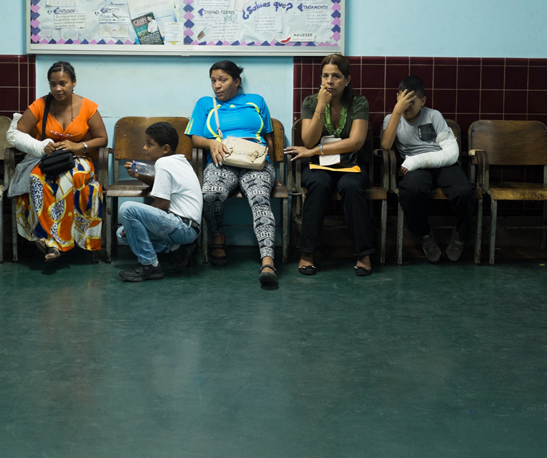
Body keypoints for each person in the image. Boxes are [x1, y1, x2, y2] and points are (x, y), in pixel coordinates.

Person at [186, 60, 278, 285]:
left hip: (255, 162)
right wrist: (211, 143)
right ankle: (217, 238)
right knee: (210, 193)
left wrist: (272, 165)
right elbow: (195, 137)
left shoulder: (256, 101)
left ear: (237, 81)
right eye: (213, 81)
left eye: (223, 80)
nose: (217, 85)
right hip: (222, 161)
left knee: (260, 198)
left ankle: (268, 260)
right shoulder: (205, 104)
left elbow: (268, 136)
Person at [6, 61, 108, 261]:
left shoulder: (87, 107)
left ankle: (60, 242)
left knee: (68, 179)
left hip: (78, 158)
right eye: (53, 84)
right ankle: (50, 241)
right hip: (48, 159)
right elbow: (17, 133)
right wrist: (41, 146)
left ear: (74, 82)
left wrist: (78, 146)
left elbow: (102, 139)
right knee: (36, 179)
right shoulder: (40, 105)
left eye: (63, 83)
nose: (58, 88)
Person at [283, 53, 374, 276]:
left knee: (352, 186)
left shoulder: (359, 102)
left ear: (347, 79)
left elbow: (356, 142)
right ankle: (307, 253)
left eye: (336, 76)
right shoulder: (311, 101)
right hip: (318, 166)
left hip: (349, 164)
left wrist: (315, 150)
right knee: (319, 184)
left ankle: (363, 254)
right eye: (325, 76)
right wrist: (321, 106)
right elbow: (308, 140)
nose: (329, 81)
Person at [381, 76, 476, 263]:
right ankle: (424, 234)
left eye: (412, 102)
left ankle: (461, 235)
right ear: (397, 97)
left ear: (423, 101)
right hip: (414, 166)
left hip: (443, 162)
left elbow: (450, 150)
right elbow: (385, 145)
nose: (407, 106)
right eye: (403, 100)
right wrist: (397, 111)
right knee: (411, 191)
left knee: (465, 192)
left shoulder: (433, 115)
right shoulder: (391, 119)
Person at [117, 122, 202, 282]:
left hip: (182, 227)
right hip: (189, 229)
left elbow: (162, 205)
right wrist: (139, 176)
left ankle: (150, 265)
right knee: (122, 234)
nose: (144, 148)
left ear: (165, 149)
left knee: (128, 209)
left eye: (149, 144)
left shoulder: (163, 163)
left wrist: (139, 219)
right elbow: (159, 182)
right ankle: (176, 249)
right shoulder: (180, 161)